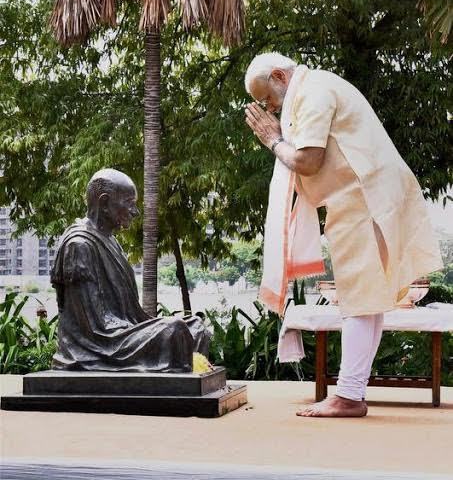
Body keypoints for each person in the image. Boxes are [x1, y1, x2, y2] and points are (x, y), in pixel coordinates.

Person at [244, 53, 443, 417]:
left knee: (357, 295)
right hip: (368, 194)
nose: (269, 109)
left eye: (268, 99)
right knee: (368, 296)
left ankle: (349, 395)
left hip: (363, 195)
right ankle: (352, 391)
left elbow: (308, 160)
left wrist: (273, 140)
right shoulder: (315, 86)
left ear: (279, 76)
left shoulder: (314, 91)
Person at [51, 168, 210, 373]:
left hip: (122, 330)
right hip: (101, 344)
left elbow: (131, 315)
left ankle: (185, 376)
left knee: (195, 327)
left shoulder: (111, 241)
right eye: (129, 203)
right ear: (105, 202)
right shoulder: (80, 245)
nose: (135, 212)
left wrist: (146, 327)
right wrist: (150, 330)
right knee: (175, 330)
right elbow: (95, 325)